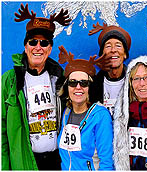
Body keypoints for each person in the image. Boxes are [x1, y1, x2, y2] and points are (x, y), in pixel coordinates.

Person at [1, 4, 71, 170]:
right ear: (26, 47)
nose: (38, 47)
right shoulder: (9, 80)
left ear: (50, 48)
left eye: (44, 43)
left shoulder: (59, 78)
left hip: (56, 161)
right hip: (25, 161)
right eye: (33, 42)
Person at [57, 46, 114, 170]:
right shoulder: (66, 113)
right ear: (67, 87)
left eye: (84, 83)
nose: (78, 87)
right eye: (73, 82)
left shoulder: (100, 115)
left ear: (90, 87)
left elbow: (107, 161)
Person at [88, 22, 131, 115]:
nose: (113, 50)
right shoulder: (93, 85)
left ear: (125, 54)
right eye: (108, 46)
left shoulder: (135, 82)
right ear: (102, 55)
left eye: (118, 46)